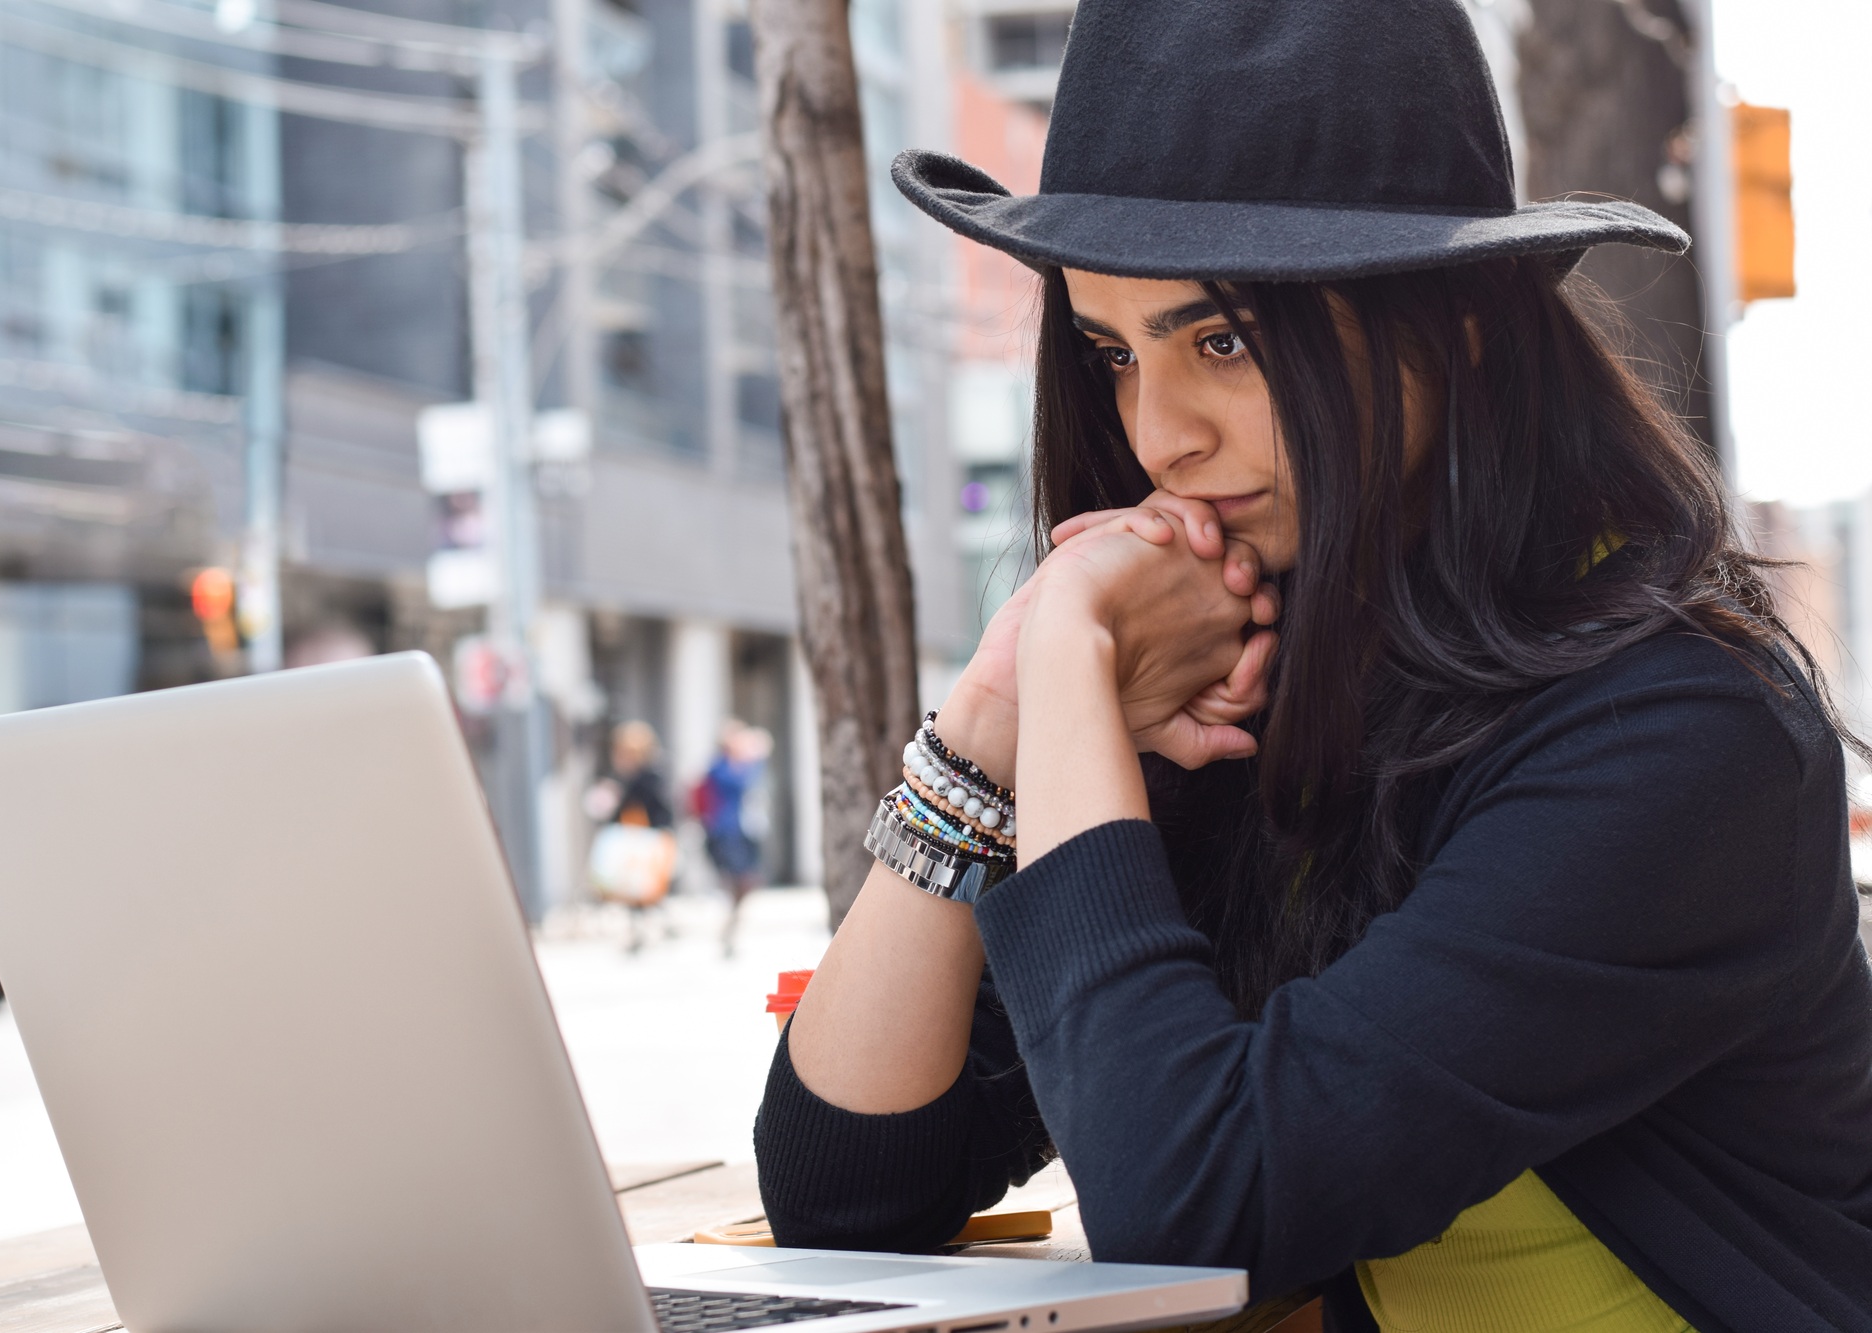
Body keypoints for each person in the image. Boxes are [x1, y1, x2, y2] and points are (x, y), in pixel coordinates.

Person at [753, 3, 1872, 1331]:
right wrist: (985, 731)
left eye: (1219, 339)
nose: (1155, 435)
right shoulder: (1254, 680)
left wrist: (1068, 657)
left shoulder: (1678, 733)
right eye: (1113, 351)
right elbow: (847, 1188)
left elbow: (1198, 1212)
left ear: (1447, 326)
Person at [584, 720, 675, 951]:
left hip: (644, 840)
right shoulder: (623, 777)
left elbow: (660, 810)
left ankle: (654, 927)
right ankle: (642, 930)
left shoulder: (646, 778)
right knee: (632, 889)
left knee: (646, 887)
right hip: (632, 840)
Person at [694, 720, 774, 956]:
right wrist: (757, 757)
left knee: (748, 880)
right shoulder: (720, 768)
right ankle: (729, 924)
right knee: (739, 879)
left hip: (744, 831)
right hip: (727, 832)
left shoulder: (738, 766)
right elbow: (742, 783)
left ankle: (731, 923)